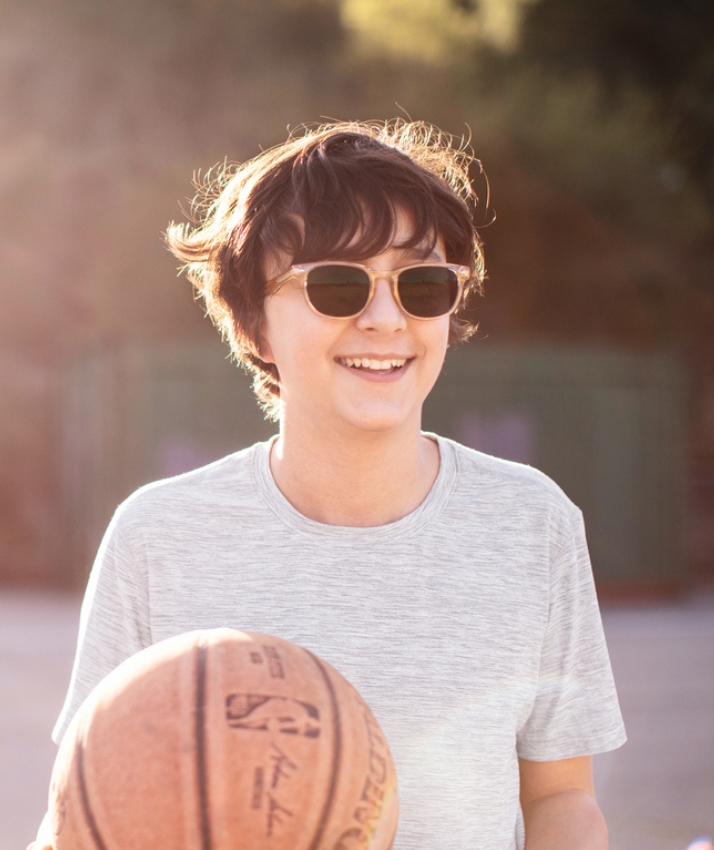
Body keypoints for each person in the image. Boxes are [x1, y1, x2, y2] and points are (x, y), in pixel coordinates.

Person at [41, 120, 626, 849]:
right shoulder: (158, 537)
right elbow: (89, 809)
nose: (385, 319)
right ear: (253, 323)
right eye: (337, 284)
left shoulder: (531, 523)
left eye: (423, 284)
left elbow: (562, 797)